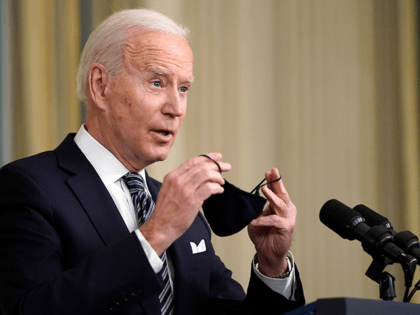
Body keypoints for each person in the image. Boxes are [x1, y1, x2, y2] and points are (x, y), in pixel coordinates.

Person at [0, 8, 305, 315]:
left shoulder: (178, 206)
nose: (176, 108)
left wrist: (272, 265)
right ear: (100, 85)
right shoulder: (28, 187)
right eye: (157, 83)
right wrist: (156, 234)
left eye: (183, 88)